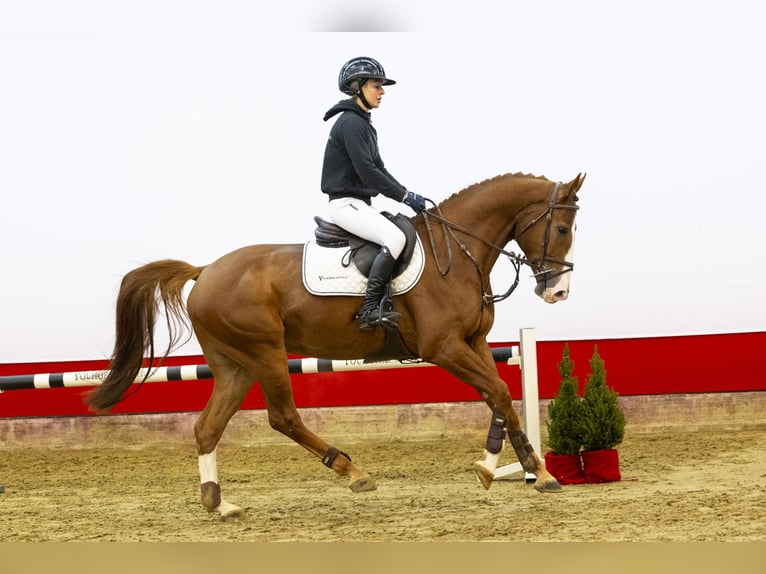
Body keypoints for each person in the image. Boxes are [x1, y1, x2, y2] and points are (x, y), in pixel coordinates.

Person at [321, 56, 426, 330]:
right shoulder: (351, 123)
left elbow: (379, 167)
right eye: (376, 85)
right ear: (357, 86)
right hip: (345, 204)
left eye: (382, 86)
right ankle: (369, 309)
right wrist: (403, 197)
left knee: (395, 233)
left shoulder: (364, 124)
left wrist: (408, 193)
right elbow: (367, 172)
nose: (382, 92)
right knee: (394, 237)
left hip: (358, 204)